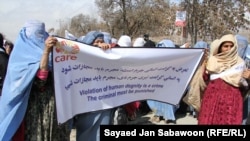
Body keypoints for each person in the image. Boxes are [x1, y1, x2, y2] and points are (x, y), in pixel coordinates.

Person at [0, 20, 71, 141]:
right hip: (31, 109)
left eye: (40, 33)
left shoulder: (54, 51)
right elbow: (39, 80)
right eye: (34, 33)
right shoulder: (18, 57)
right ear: (25, 35)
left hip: (54, 108)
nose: (38, 37)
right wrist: (45, 51)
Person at [198, 34, 245, 125]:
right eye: (225, 46)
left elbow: (244, 86)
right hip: (212, 98)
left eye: (231, 46)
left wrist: (248, 78)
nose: (228, 49)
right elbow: (204, 79)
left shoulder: (240, 63)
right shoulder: (212, 60)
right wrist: (203, 66)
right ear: (220, 47)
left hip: (232, 101)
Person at [75, 30, 113, 141]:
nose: (99, 44)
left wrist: (106, 53)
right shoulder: (78, 57)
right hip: (85, 106)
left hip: (104, 105)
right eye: (96, 42)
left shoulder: (107, 57)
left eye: (102, 41)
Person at [147, 39, 180, 124]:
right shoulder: (156, 59)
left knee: (168, 100)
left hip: (169, 84)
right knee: (156, 99)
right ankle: (158, 114)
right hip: (158, 83)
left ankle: (168, 116)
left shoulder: (176, 60)